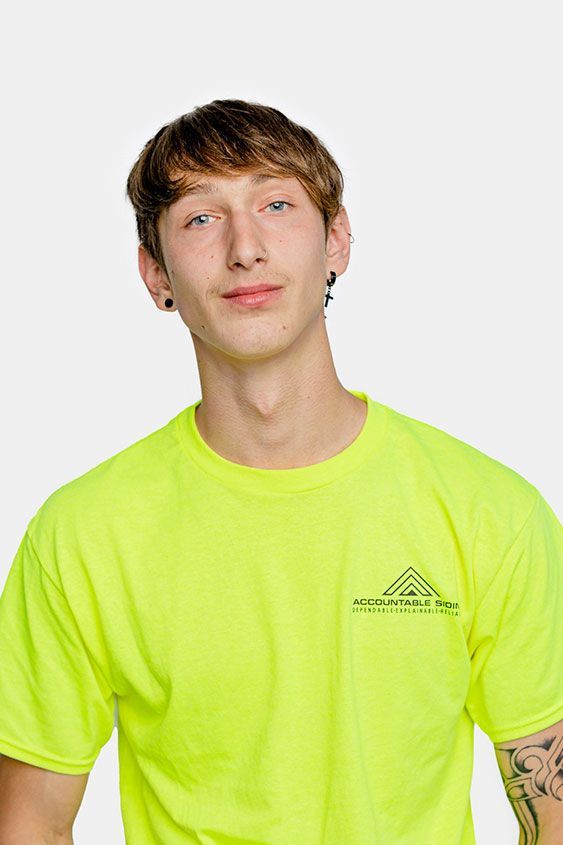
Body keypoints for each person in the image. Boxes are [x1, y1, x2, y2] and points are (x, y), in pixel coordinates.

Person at [0, 98, 561, 845]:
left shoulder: (490, 512)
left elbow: (549, 806)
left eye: (275, 203)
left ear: (336, 241)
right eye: (201, 218)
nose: (245, 248)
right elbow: (29, 820)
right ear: (154, 272)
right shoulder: (82, 534)